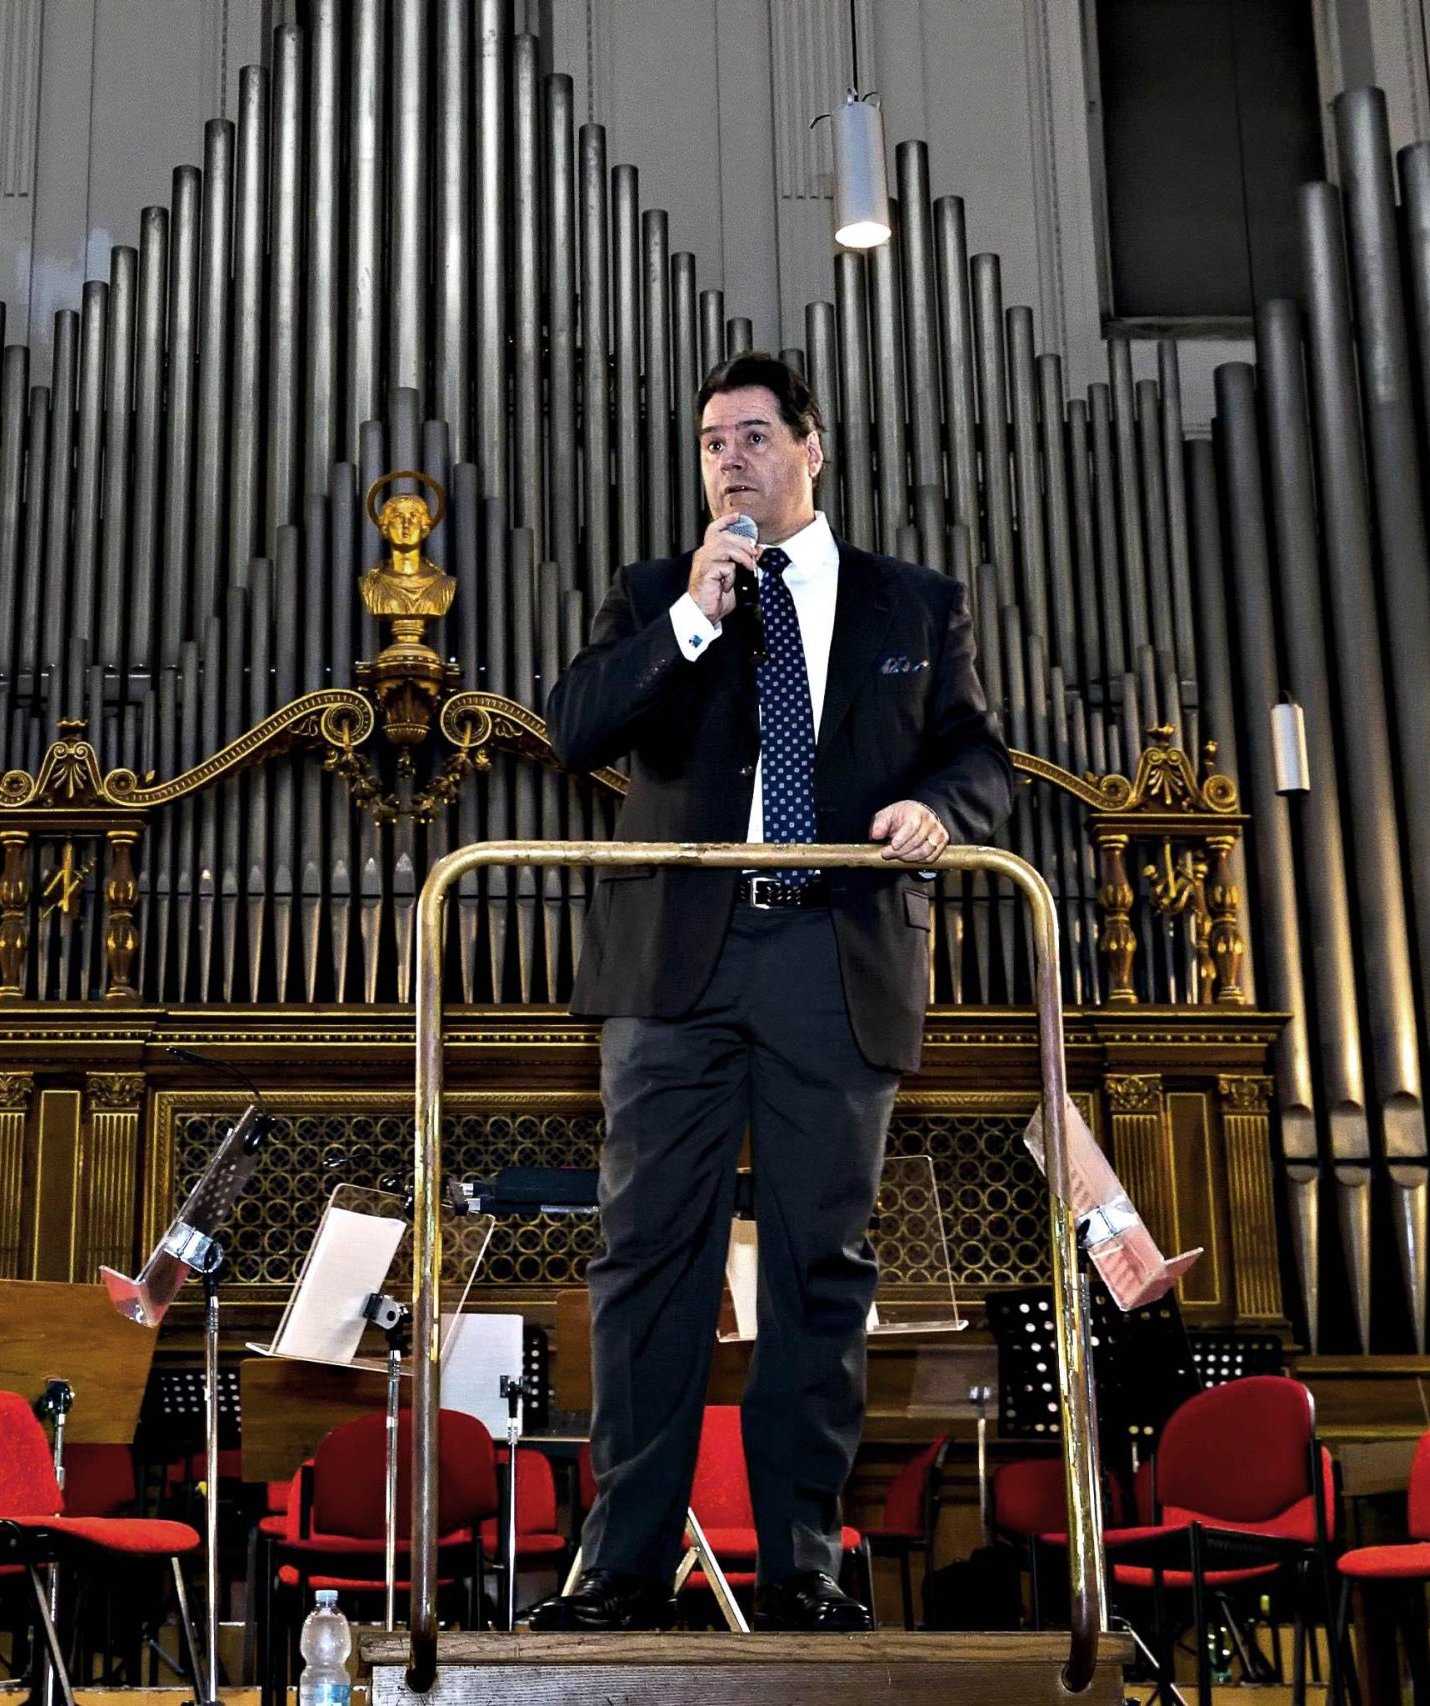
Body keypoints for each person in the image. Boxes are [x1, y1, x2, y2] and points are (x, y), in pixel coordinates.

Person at [530, 352, 1013, 1634]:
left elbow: (978, 754)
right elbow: (573, 726)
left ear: (812, 447)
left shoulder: (913, 603)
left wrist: (936, 805)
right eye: (707, 442)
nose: (728, 459)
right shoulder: (656, 593)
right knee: (645, 1261)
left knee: (820, 1265)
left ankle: (804, 1555)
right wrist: (691, 616)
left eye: (752, 435)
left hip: (833, 953)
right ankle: (622, 1560)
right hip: (677, 960)